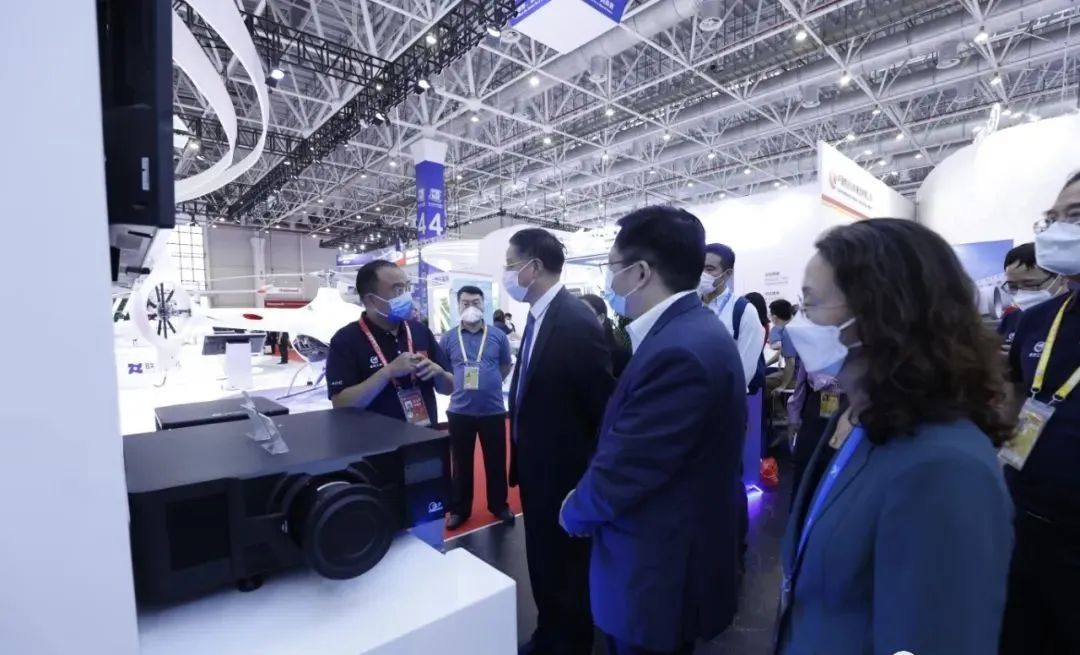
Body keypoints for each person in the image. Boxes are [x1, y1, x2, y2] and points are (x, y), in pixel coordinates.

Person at [777, 218, 1013, 655]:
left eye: (811, 304)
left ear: (881, 313)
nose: (799, 322)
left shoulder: (945, 467)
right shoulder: (860, 417)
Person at [560, 206, 746, 655]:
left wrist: (574, 511)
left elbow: (629, 468)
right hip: (667, 560)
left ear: (641, 273)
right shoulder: (689, 331)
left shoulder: (678, 351)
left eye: (612, 267)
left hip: (655, 573)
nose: (609, 280)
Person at [504, 228, 615, 655]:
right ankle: (549, 633)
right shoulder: (540, 317)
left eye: (511, 265)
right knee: (543, 559)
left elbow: (599, 406)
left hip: (564, 473)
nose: (507, 275)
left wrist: (587, 476)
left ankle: (568, 642)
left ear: (533, 267)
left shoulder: (573, 321)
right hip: (538, 468)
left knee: (565, 566)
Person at [1000, 171, 1080, 655]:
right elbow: (1011, 400)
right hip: (1023, 521)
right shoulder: (1038, 320)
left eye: (1076, 216)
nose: (1059, 229)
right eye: (1053, 218)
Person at [325, 260, 453, 425]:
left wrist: (440, 374)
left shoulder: (419, 331)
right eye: (398, 290)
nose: (407, 296)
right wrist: (387, 373)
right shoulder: (345, 340)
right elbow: (341, 404)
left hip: (426, 437)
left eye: (407, 288)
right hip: (377, 439)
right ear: (371, 300)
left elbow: (449, 388)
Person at [440, 286, 516, 531]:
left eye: (476, 302)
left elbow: (505, 365)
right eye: (465, 303)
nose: (471, 307)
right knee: (461, 464)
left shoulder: (498, 336)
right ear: (458, 306)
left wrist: (488, 381)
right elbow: (445, 370)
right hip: (459, 411)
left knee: (496, 460)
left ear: (484, 305)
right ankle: (459, 510)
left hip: (493, 410)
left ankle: (499, 505)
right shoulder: (449, 338)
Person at [698, 243, 766, 392]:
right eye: (699, 268)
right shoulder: (689, 306)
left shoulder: (744, 311)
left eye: (709, 269)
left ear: (727, 274)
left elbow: (743, 372)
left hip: (721, 398)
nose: (702, 274)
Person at [997, 242, 1066, 351]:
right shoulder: (1012, 318)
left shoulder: (1073, 320)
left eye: (1030, 284)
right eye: (1013, 286)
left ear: (1061, 278)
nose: (1022, 292)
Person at [580, 293, 632, 378]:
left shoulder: (620, 357)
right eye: (577, 312)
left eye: (585, 312)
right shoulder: (574, 354)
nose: (579, 317)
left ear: (601, 318)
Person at [765, 299, 796, 395]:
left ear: (774, 317)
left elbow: (791, 362)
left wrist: (783, 386)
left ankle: (777, 406)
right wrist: (765, 365)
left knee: (761, 383)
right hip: (800, 373)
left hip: (797, 377)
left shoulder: (788, 331)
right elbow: (783, 351)